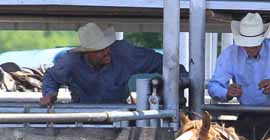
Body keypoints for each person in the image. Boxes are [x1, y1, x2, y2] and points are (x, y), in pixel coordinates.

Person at [207, 13, 270, 140]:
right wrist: (227, 93)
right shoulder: (230, 53)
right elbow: (214, 86)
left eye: (254, 44)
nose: (250, 47)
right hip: (248, 115)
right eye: (246, 44)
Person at [40, 23, 187, 106]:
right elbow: (51, 77)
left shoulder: (124, 53)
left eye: (107, 46)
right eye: (99, 50)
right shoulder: (71, 62)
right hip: (83, 117)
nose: (106, 51)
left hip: (119, 117)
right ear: (87, 53)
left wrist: (180, 78)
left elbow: (161, 62)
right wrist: (50, 93)